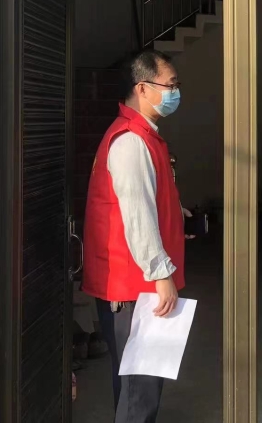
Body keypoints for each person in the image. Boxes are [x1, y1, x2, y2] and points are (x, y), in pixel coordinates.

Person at [82, 49, 187, 423]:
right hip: (134, 287)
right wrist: (162, 275)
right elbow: (137, 215)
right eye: (171, 85)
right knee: (139, 389)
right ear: (143, 88)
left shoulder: (144, 136)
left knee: (137, 384)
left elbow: (148, 200)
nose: (176, 92)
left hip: (136, 285)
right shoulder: (130, 141)